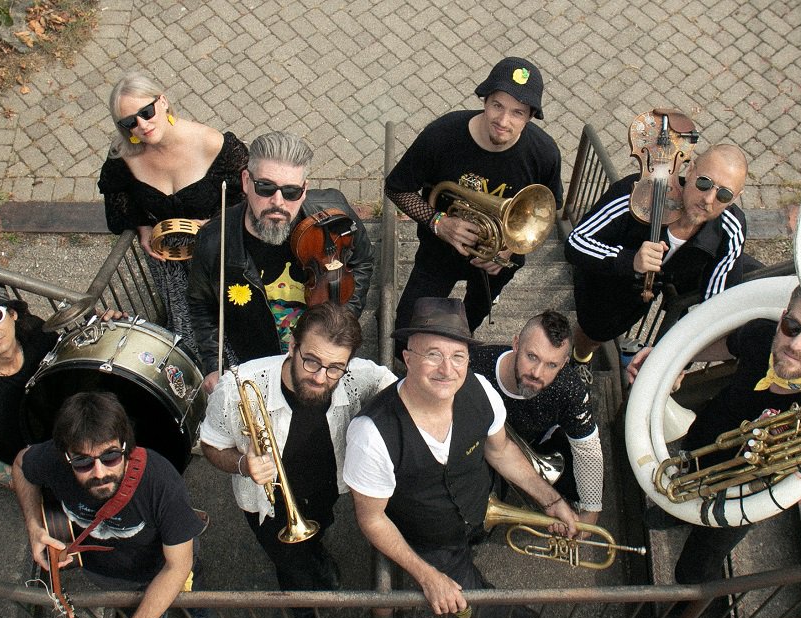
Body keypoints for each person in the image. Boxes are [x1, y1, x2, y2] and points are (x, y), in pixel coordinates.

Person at [343, 297, 579, 618]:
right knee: (472, 602)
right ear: (407, 357)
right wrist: (426, 575)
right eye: (432, 354)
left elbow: (500, 451)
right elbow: (371, 518)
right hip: (431, 540)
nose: (446, 369)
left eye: (458, 356)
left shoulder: (481, 391)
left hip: (480, 510)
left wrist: (550, 499)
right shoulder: (371, 433)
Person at [627, 284, 801, 584]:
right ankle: (674, 513)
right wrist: (672, 362)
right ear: (783, 318)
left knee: (696, 565)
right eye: (792, 327)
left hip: (745, 491)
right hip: (706, 439)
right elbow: (728, 344)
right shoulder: (763, 336)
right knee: (679, 480)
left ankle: (686, 605)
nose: (795, 344)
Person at [199, 302, 394, 618]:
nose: (321, 377)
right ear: (292, 344)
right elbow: (211, 445)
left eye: (335, 367)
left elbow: (393, 387)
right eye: (312, 361)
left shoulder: (353, 377)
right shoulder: (238, 385)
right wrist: (243, 464)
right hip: (266, 504)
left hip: (325, 490)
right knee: (290, 565)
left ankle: (317, 556)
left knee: (317, 534)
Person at [11, 391, 219, 618]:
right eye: (83, 462)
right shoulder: (52, 459)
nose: (99, 472)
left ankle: (196, 609)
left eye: (110, 457)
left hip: (163, 567)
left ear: (125, 445)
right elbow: (21, 464)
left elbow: (177, 566)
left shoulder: (160, 482)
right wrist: (34, 526)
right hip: (105, 573)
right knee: (136, 604)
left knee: (188, 586)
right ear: (65, 455)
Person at [385, 57, 562, 353]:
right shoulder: (442, 135)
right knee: (407, 328)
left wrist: (509, 248)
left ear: (530, 116)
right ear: (485, 100)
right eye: (497, 106)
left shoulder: (544, 153)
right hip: (438, 252)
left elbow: (547, 211)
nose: (503, 121)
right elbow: (396, 188)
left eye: (517, 112)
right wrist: (439, 222)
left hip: (497, 262)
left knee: (472, 319)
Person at [187, 131, 374, 392]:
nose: (277, 202)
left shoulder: (334, 214)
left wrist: (342, 324)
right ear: (245, 182)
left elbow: (363, 261)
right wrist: (212, 365)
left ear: (305, 190)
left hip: (322, 360)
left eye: (291, 191)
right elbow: (201, 304)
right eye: (265, 187)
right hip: (256, 358)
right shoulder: (213, 241)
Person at [564, 144, 749, 379]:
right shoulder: (639, 194)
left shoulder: (731, 227)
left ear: (735, 197)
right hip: (609, 281)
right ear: (690, 170)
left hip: (657, 290)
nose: (708, 199)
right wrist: (629, 259)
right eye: (704, 183)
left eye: (724, 194)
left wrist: (680, 357)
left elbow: (716, 304)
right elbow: (576, 242)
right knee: (594, 331)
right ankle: (580, 357)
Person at [98, 71, 249, 357]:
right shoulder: (123, 156)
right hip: (170, 262)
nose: (141, 125)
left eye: (146, 112)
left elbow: (250, 194)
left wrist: (215, 224)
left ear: (163, 102)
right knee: (190, 336)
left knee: (236, 326)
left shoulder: (211, 142)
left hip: (219, 252)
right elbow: (119, 200)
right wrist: (142, 226)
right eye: (130, 121)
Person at [0, 277, 123, 489]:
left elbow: (75, 366)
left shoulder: (36, 333)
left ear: (13, 314)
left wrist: (111, 329)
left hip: (81, 431)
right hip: (42, 463)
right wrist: (45, 486)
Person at [469, 309, 604, 526]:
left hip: (538, 443)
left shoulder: (569, 387)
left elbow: (587, 449)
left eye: (552, 365)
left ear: (564, 363)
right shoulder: (474, 366)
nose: (537, 373)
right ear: (516, 344)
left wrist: (591, 510)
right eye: (532, 357)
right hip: (482, 447)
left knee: (584, 487)